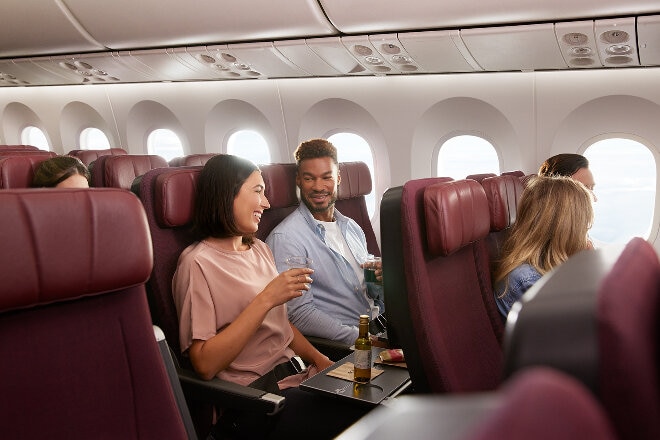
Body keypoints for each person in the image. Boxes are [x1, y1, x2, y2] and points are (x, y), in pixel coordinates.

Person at [172, 154, 368, 439]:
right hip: (254, 398)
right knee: (361, 414)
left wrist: (322, 359)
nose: (266, 203)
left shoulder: (259, 249)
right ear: (228, 196)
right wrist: (265, 299)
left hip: (296, 375)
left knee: (375, 395)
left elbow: (280, 325)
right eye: (258, 191)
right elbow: (204, 364)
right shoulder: (196, 264)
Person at [266, 139, 383, 345]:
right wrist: (363, 339)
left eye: (326, 177)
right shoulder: (287, 239)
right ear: (299, 181)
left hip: (379, 325)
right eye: (309, 178)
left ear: (338, 178)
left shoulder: (352, 227)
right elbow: (300, 314)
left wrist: (382, 282)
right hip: (346, 344)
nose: (319, 187)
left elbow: (370, 293)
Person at [493, 176, 594, 319]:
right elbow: (575, 328)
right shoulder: (527, 279)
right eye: (584, 227)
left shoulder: (548, 266)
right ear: (567, 230)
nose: (586, 235)